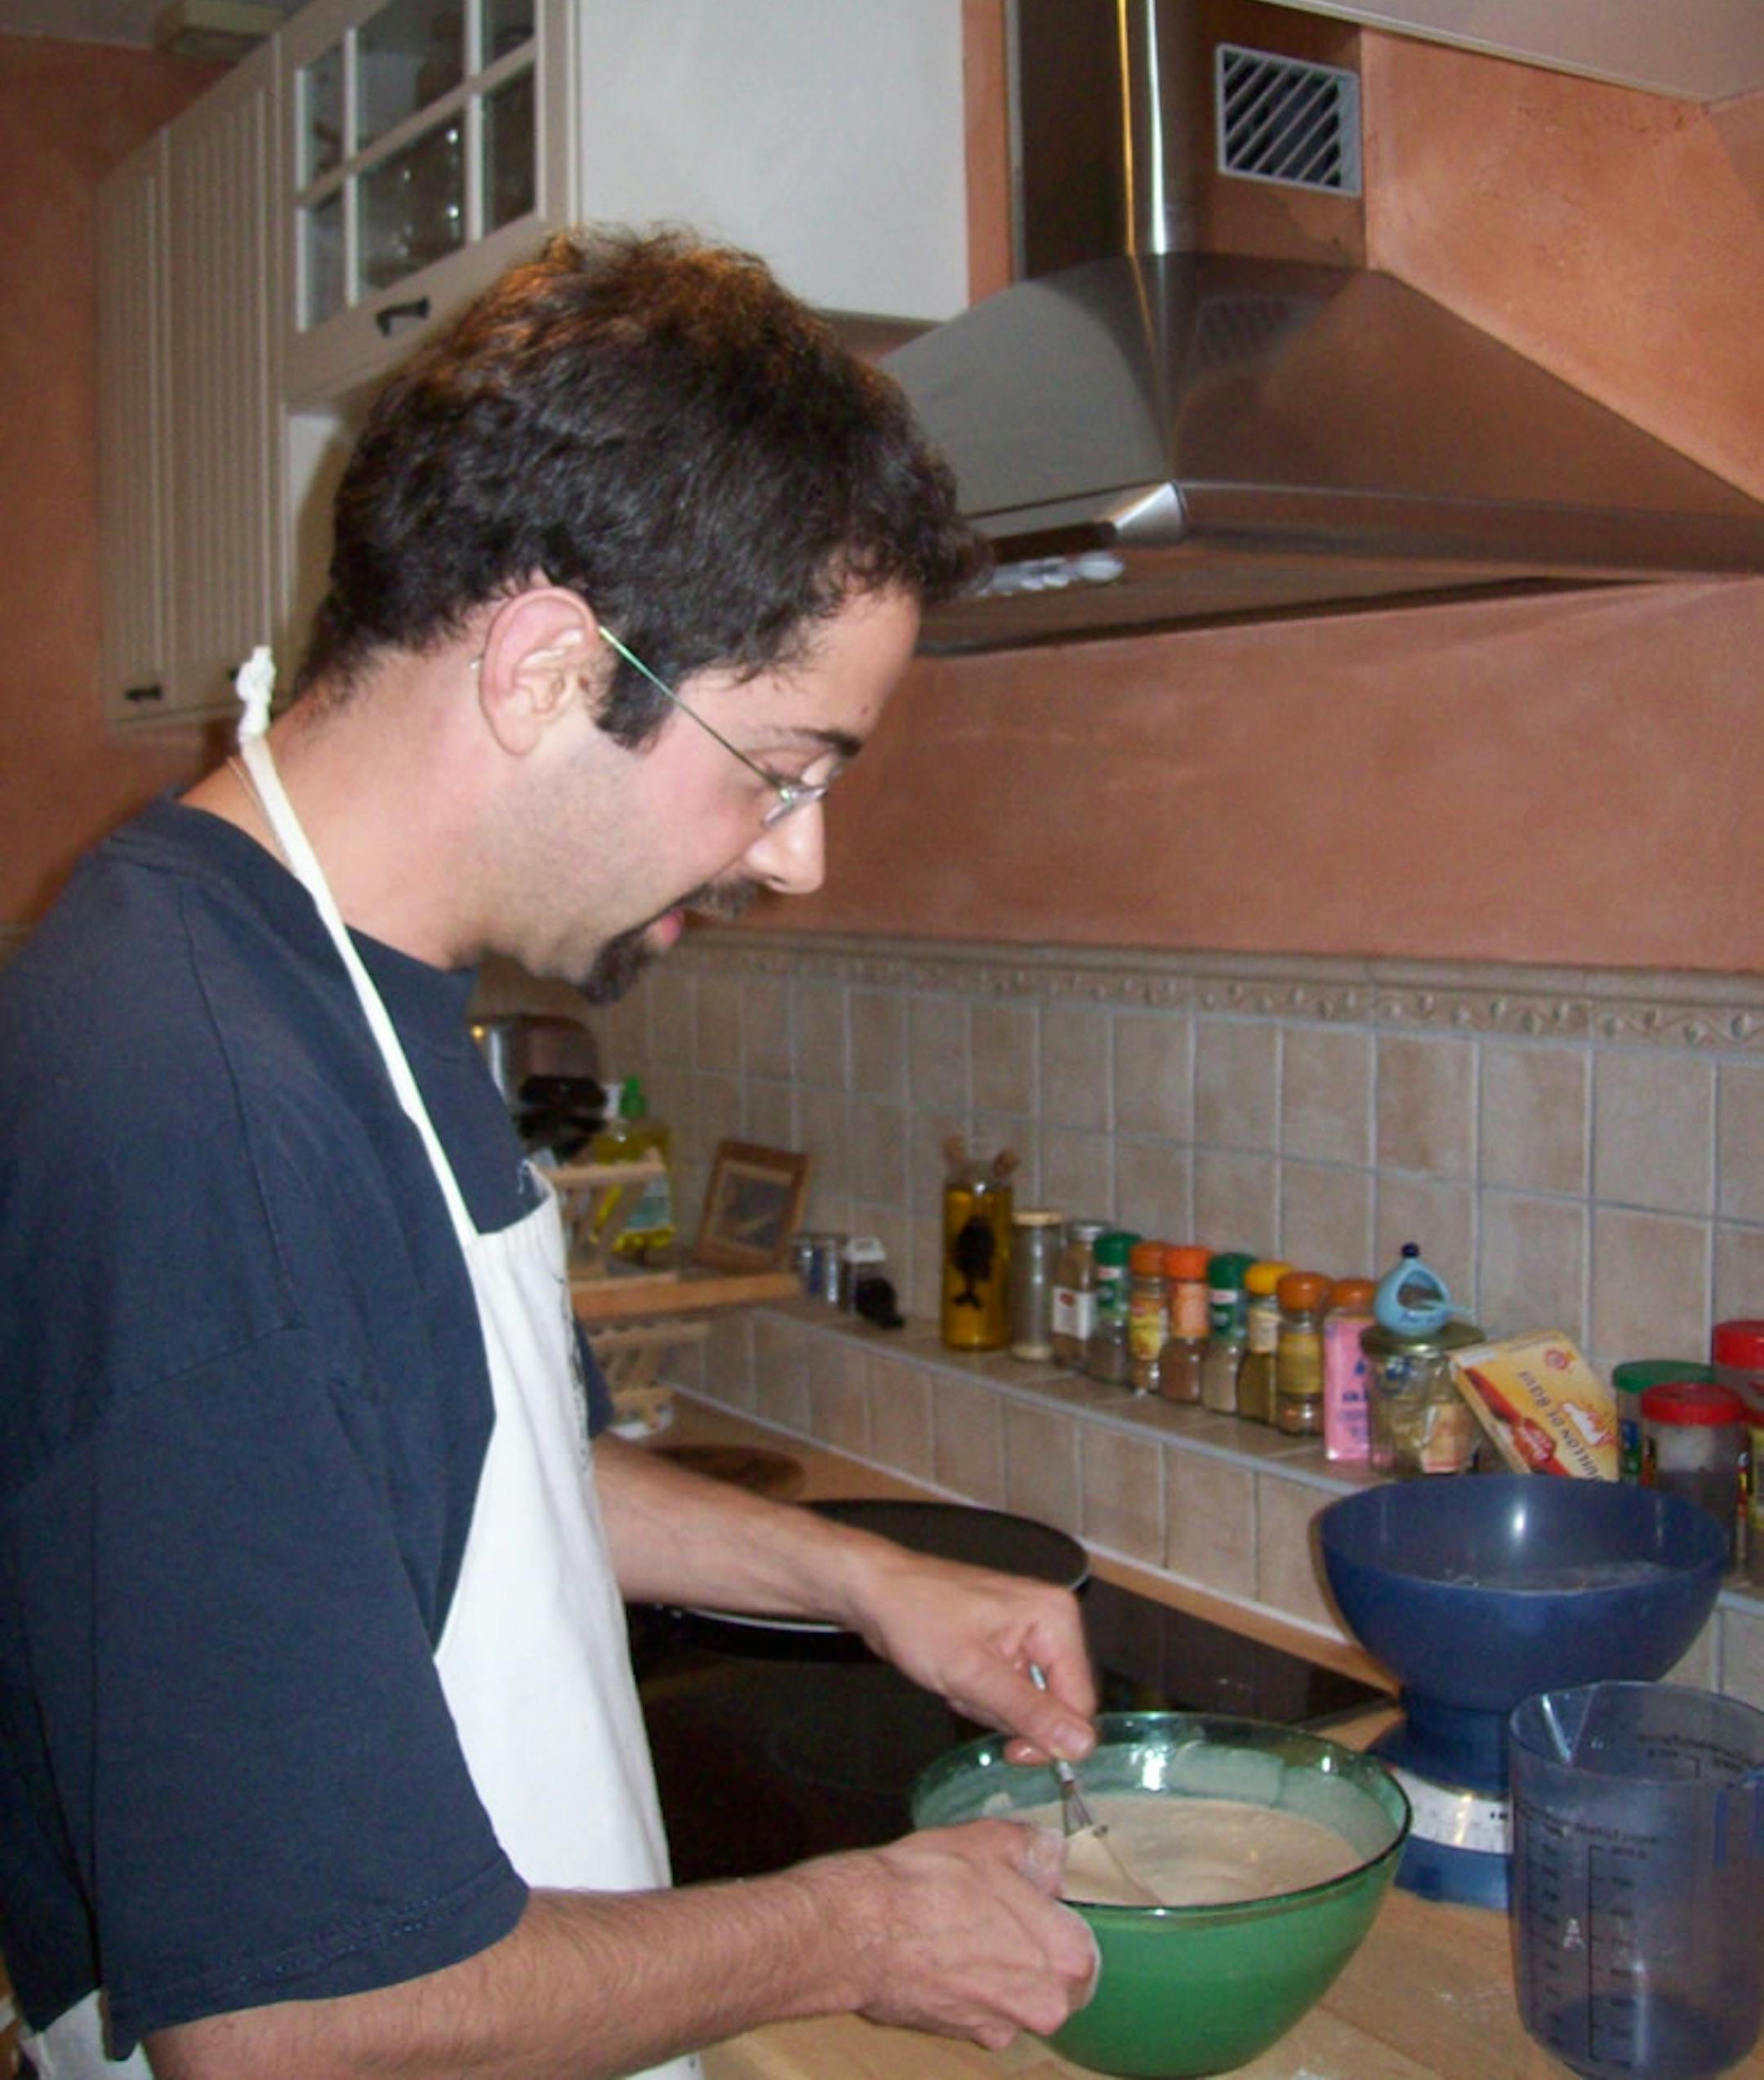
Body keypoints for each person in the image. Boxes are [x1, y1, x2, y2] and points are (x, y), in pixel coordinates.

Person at [0, 229, 1101, 2080]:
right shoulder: (198, 1110)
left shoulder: (349, 972)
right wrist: (863, 1920)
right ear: (542, 665)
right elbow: (289, 2026)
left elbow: (463, 1463)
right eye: (785, 763)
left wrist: (853, 1575)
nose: (796, 854)